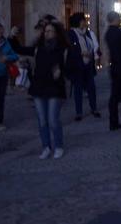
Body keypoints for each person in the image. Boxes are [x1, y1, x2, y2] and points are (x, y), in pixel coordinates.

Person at [29, 21, 69, 159]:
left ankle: (58, 146)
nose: (47, 33)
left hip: (54, 88)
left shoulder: (61, 48)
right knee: (42, 120)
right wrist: (11, 37)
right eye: (46, 31)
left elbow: (68, 66)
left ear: (56, 33)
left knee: (52, 119)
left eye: (50, 31)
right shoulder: (38, 48)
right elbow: (21, 49)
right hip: (39, 86)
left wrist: (60, 71)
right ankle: (46, 146)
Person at [66, 13, 100, 120]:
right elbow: (70, 48)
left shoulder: (87, 33)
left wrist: (91, 53)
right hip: (77, 65)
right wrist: (81, 53)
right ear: (78, 22)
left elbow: (92, 45)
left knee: (91, 87)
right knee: (78, 89)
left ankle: (94, 108)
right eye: (82, 20)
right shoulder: (71, 33)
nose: (84, 22)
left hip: (88, 64)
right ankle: (79, 112)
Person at [0, 23, 18, 131]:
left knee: (0, 97)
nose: (1, 32)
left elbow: (14, 55)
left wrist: (7, 57)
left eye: (2, 30)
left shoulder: (6, 43)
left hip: (3, 74)